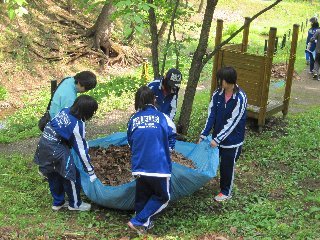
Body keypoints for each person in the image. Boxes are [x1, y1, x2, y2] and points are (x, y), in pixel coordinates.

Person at [34, 95, 98, 211]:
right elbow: (81, 150)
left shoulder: (66, 110)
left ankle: (58, 202)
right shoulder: (77, 125)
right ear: (87, 112)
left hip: (44, 144)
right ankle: (75, 204)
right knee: (71, 175)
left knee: (53, 172)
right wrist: (90, 171)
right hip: (56, 148)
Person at [127, 86, 176, 233]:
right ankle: (138, 220)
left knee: (143, 196)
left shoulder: (133, 119)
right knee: (163, 197)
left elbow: (130, 141)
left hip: (139, 165)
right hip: (159, 166)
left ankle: (143, 226)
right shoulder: (163, 117)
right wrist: (169, 149)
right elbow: (172, 134)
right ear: (154, 100)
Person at [198, 66, 247, 202]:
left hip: (233, 140)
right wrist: (204, 134)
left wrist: (218, 139)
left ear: (227, 80)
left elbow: (233, 122)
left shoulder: (240, 98)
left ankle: (226, 191)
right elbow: (211, 115)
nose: (219, 82)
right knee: (211, 161)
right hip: (217, 138)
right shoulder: (217, 94)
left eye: (221, 79)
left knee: (227, 166)